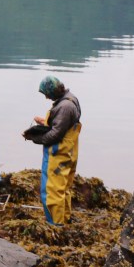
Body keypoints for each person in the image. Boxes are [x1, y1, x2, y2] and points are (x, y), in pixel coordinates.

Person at [23, 75, 81, 225]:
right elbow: (62, 126)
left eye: (46, 94)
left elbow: (55, 134)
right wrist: (43, 121)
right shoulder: (70, 99)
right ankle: (64, 220)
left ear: (53, 91)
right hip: (69, 153)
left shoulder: (64, 107)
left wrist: (33, 137)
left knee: (52, 191)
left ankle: (55, 225)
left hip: (58, 154)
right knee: (63, 189)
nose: (46, 97)